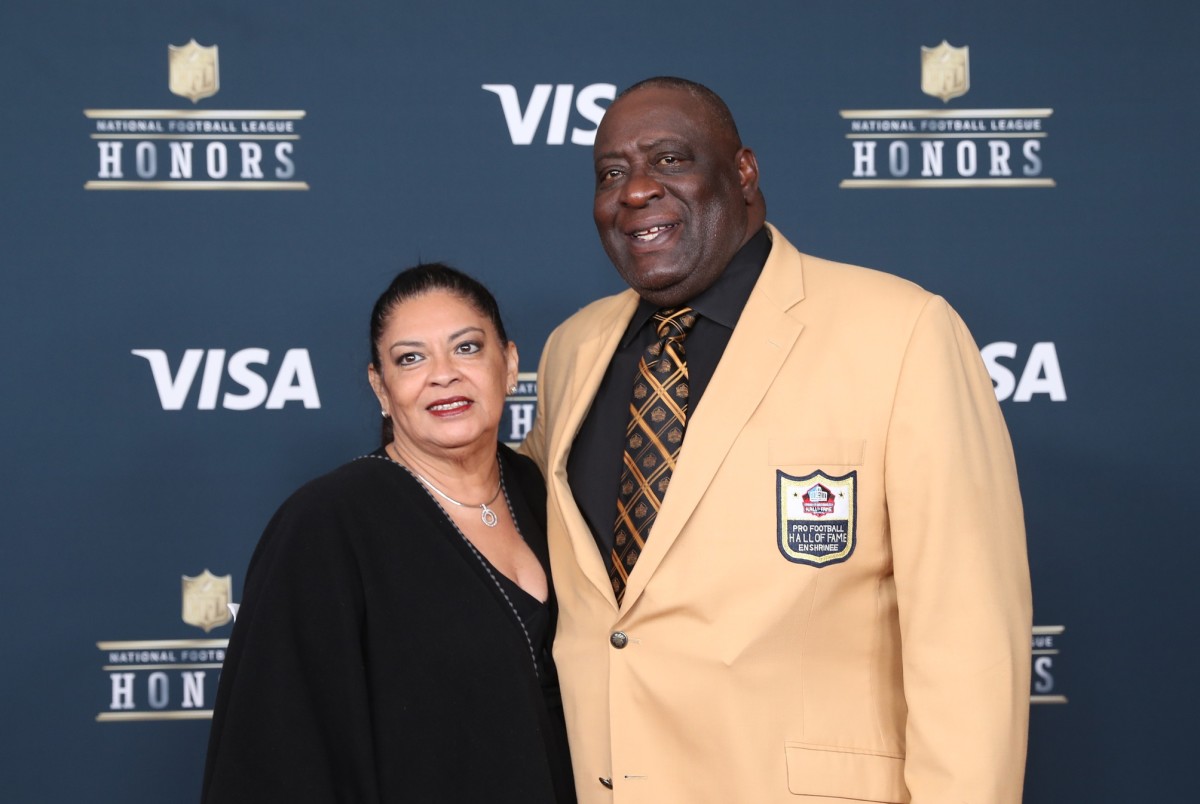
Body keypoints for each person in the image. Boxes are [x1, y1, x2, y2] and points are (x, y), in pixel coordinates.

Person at [521, 77, 1032, 802]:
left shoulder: (901, 331)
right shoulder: (572, 350)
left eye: (669, 160)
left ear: (743, 173)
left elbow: (969, 636)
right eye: (611, 173)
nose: (634, 190)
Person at [202, 264, 575, 803]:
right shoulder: (327, 524)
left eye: (466, 348)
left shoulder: (548, 493)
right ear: (381, 386)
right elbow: (273, 755)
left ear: (510, 364)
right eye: (411, 359)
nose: (443, 374)